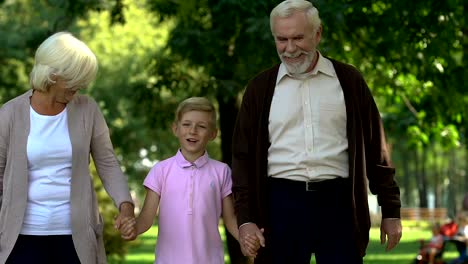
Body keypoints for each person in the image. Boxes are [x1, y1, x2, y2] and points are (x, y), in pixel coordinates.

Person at [231, 1, 403, 263]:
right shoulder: (259, 88)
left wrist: (391, 210)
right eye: (282, 39)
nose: (290, 48)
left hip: (339, 204)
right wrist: (245, 220)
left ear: (318, 33)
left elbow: (375, 147)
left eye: (298, 38)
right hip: (279, 205)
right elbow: (242, 160)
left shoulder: (349, 81)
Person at [0, 31, 135, 263]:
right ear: (52, 75)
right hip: (21, 237)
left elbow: (107, 162)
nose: (80, 87)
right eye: (75, 80)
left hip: (75, 237)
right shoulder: (10, 113)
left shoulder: (88, 110)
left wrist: (125, 206)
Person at [118, 97, 259, 263]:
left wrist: (246, 240)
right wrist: (133, 229)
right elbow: (146, 219)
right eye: (186, 124)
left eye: (201, 126)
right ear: (175, 129)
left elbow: (230, 219)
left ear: (213, 133)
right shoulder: (160, 171)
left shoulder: (222, 172)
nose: (193, 131)